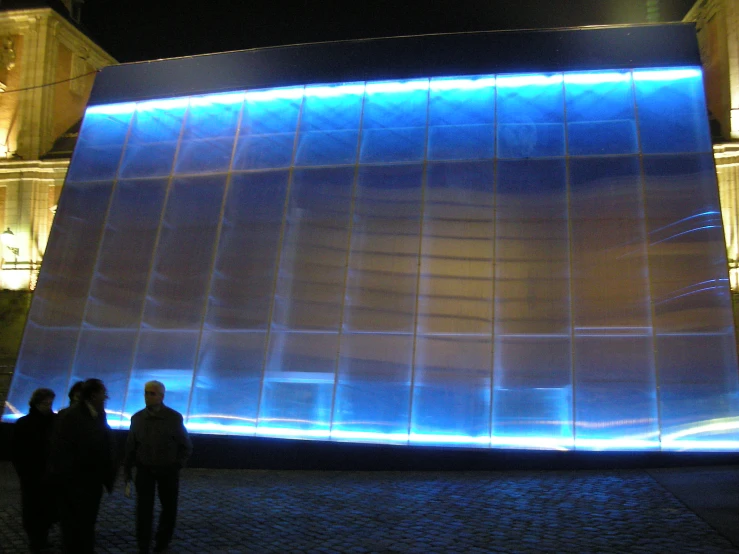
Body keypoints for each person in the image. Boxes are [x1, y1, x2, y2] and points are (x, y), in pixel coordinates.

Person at [124, 381, 192, 554]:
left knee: (168, 508)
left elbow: (185, 445)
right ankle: (144, 544)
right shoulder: (137, 418)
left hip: (167, 470)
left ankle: (161, 542)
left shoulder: (173, 418)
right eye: (147, 393)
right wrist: (128, 469)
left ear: (162, 396)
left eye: (152, 393)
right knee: (143, 509)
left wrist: (176, 465)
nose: (148, 396)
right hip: (145, 469)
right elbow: (131, 446)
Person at [51, 378, 116, 554]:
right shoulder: (72, 416)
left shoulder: (96, 414)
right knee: (74, 525)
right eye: (104, 394)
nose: (106, 398)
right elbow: (63, 451)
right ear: (94, 395)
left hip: (91, 482)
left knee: (87, 523)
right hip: (76, 483)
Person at [11, 388, 57, 553]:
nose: (49, 406)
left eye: (50, 403)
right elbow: (17, 451)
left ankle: (41, 537)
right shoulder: (25, 424)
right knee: (33, 508)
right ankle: (36, 540)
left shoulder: (53, 421)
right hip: (32, 474)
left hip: (45, 473)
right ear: (37, 403)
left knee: (44, 508)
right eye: (46, 403)